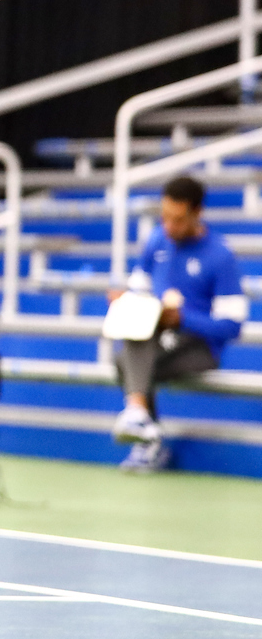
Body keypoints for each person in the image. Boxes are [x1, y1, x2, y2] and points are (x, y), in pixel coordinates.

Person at [110, 174, 246, 472]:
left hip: (200, 347)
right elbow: (139, 289)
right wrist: (125, 300)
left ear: (197, 213)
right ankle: (141, 423)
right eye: (165, 218)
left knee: (129, 358)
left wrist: (182, 318)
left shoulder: (220, 255)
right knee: (129, 348)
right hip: (157, 338)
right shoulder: (157, 240)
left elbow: (232, 326)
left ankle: (143, 429)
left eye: (178, 220)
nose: (170, 227)